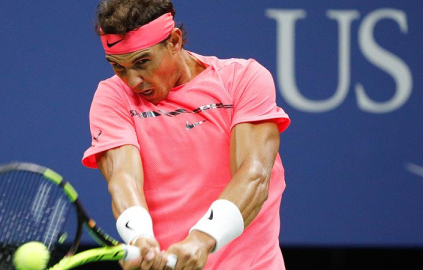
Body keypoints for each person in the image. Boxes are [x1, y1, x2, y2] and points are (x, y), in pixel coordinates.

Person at [82, 0, 291, 269]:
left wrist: (203, 238)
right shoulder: (113, 97)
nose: (133, 80)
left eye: (142, 62)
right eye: (118, 66)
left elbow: (254, 176)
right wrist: (139, 236)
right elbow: (123, 178)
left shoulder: (243, 79)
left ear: (174, 41)